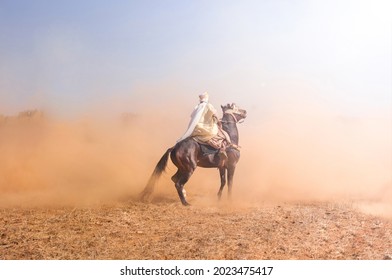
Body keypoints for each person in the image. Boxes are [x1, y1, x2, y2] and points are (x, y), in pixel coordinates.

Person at [177, 92, 230, 160]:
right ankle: (221, 149)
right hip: (206, 129)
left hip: (196, 128)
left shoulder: (197, 107)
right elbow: (215, 115)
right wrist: (219, 122)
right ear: (207, 99)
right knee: (221, 135)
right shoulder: (209, 106)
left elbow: (192, 116)